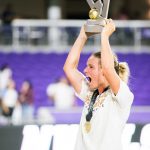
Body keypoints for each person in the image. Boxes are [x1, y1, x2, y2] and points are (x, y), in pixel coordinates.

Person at [63, 19, 134, 150]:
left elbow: (108, 68)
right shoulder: (90, 93)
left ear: (103, 72)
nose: (85, 70)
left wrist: (105, 36)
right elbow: (69, 68)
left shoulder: (122, 96)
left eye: (91, 67)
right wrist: (82, 36)